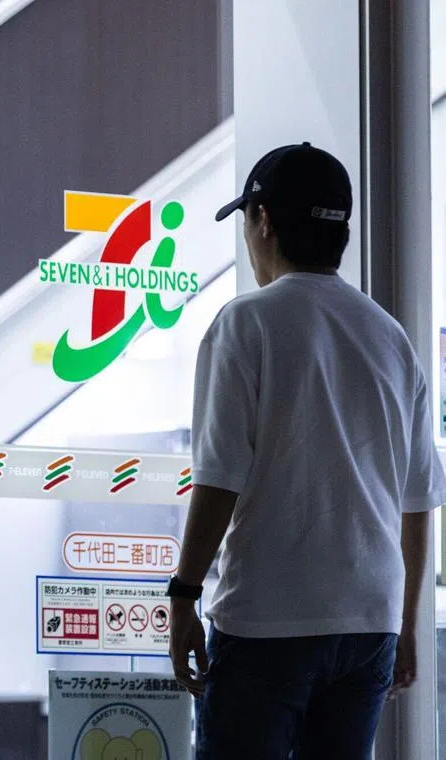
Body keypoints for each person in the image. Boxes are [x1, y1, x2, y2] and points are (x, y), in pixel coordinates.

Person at [167, 142, 446, 759]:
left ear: (263, 219)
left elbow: (219, 480)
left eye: (246, 221)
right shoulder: (390, 337)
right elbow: (419, 499)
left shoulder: (247, 323)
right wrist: (403, 621)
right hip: (369, 622)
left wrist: (183, 594)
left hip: (271, 621)